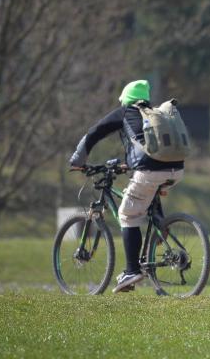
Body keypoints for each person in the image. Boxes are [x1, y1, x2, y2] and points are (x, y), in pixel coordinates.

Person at [69, 80, 184, 293]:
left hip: (150, 171)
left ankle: (132, 271)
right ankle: (159, 222)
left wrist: (77, 161)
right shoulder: (154, 114)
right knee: (148, 195)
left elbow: (94, 132)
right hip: (176, 170)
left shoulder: (126, 112)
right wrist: (127, 164)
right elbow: (146, 146)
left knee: (128, 215)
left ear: (126, 98)